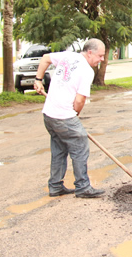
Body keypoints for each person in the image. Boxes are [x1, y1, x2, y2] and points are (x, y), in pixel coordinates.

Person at [34, 39, 106, 199]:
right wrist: (75, 114)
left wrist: (38, 79)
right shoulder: (87, 71)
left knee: (59, 148)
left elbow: (45, 58)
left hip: (49, 114)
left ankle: (55, 186)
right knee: (80, 146)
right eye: (100, 56)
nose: (101, 59)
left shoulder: (67, 56)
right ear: (90, 52)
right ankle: (83, 187)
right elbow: (79, 101)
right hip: (63, 115)